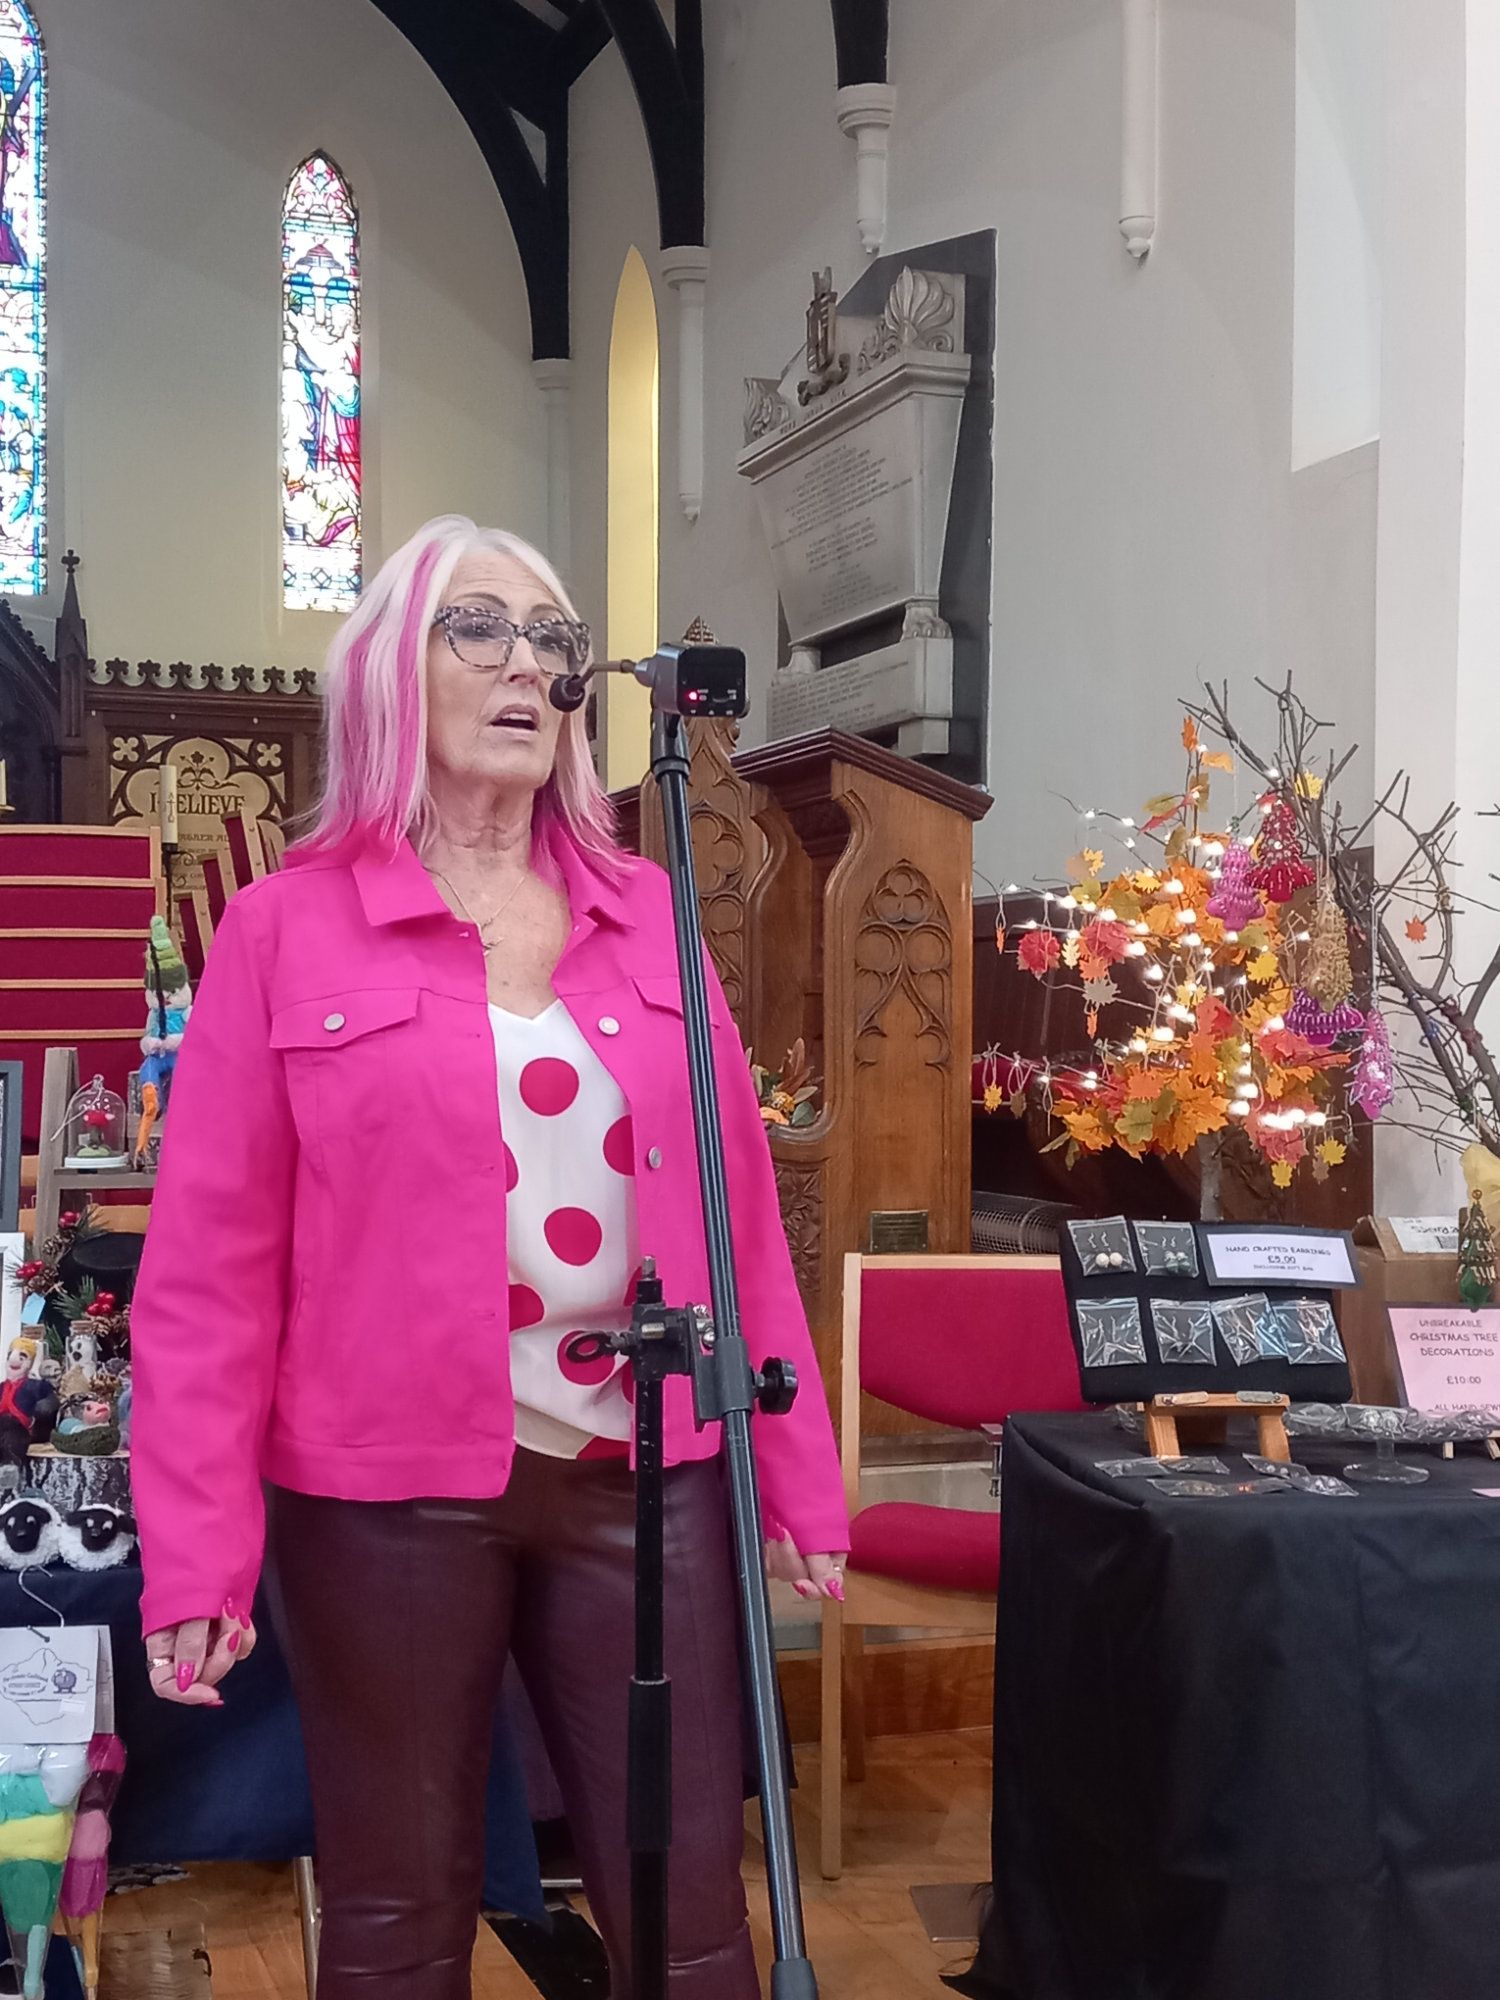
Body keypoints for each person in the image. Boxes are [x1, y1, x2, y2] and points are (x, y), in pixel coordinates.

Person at [129, 515, 850, 2000]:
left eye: (552, 640)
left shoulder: (650, 914)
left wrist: (795, 1470)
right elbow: (207, 1275)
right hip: (381, 1497)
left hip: (647, 1472)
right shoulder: (284, 931)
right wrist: (197, 1548)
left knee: (688, 1915)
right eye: (479, 628)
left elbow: (740, 1228)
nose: (527, 664)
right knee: (398, 1921)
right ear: (393, 670)